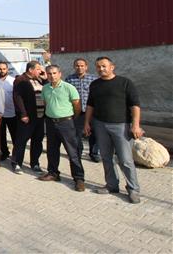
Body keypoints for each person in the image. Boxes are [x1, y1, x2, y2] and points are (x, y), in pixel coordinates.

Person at [84, 57, 142, 204]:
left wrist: (135, 125)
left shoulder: (125, 83)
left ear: (112, 67)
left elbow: (135, 105)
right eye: (98, 67)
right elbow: (90, 105)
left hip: (121, 126)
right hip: (100, 125)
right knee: (106, 157)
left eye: (104, 66)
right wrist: (87, 123)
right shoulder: (95, 85)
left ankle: (133, 189)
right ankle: (111, 185)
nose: (101, 69)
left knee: (126, 160)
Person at [39, 65, 85, 191]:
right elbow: (46, 104)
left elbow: (77, 106)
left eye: (54, 73)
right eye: (49, 73)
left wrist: (71, 120)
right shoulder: (45, 88)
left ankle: (79, 178)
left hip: (66, 123)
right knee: (52, 150)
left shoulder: (69, 87)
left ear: (60, 74)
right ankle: (53, 173)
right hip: (50, 123)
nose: (52, 76)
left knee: (73, 152)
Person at [11, 61, 47, 174]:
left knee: (37, 141)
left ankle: (35, 163)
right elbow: (18, 98)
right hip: (27, 117)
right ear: (30, 70)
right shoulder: (21, 80)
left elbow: (48, 90)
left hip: (40, 116)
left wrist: (45, 79)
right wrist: (23, 114)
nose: (40, 71)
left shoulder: (39, 80)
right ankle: (16, 163)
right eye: (38, 69)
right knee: (21, 141)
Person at [66, 58, 100, 162]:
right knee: (77, 133)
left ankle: (94, 153)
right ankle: (78, 152)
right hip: (77, 112)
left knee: (95, 133)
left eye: (82, 66)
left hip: (92, 110)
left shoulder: (93, 79)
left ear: (86, 67)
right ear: (74, 67)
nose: (79, 67)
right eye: (77, 65)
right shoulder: (69, 79)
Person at [0, 62, 17, 161]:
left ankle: (16, 155)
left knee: (15, 136)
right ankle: (4, 152)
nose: (2, 70)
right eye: (0, 69)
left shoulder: (13, 81)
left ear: (7, 69)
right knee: (1, 136)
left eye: (4, 68)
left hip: (12, 113)